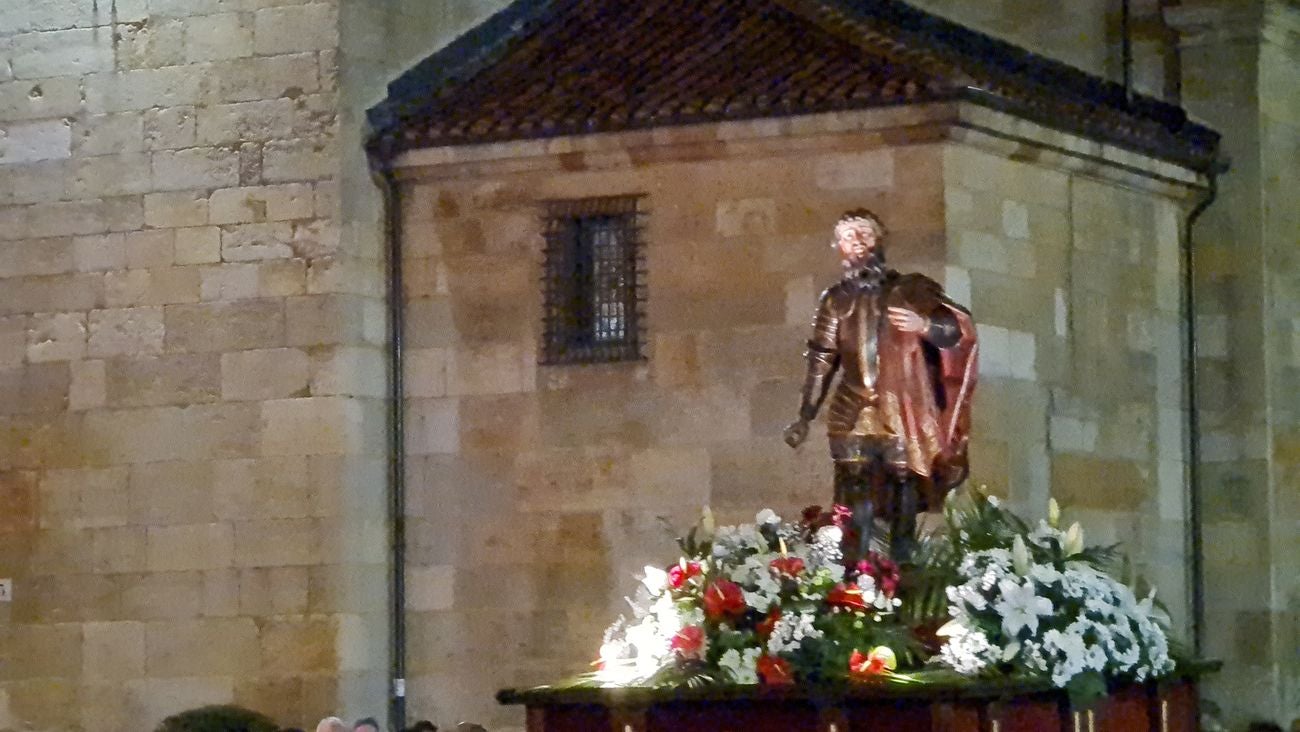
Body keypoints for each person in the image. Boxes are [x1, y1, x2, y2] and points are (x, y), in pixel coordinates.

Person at [784, 209, 978, 562]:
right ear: (838, 246)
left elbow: (955, 332)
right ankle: (854, 570)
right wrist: (805, 414)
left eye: (864, 234)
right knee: (853, 491)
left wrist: (924, 326)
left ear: (879, 240)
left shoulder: (911, 291)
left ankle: (902, 566)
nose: (856, 242)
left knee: (903, 484)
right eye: (848, 236)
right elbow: (822, 359)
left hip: (901, 403)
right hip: (851, 404)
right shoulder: (834, 299)